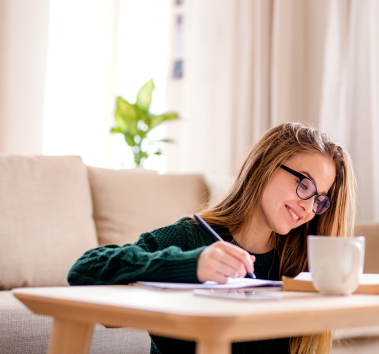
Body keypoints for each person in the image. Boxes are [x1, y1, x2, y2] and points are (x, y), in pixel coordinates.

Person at [68, 122, 356, 354]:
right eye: (304, 184)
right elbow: (82, 270)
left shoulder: (298, 261)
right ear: (266, 166)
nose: (308, 207)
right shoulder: (191, 239)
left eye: (319, 199)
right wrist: (190, 266)